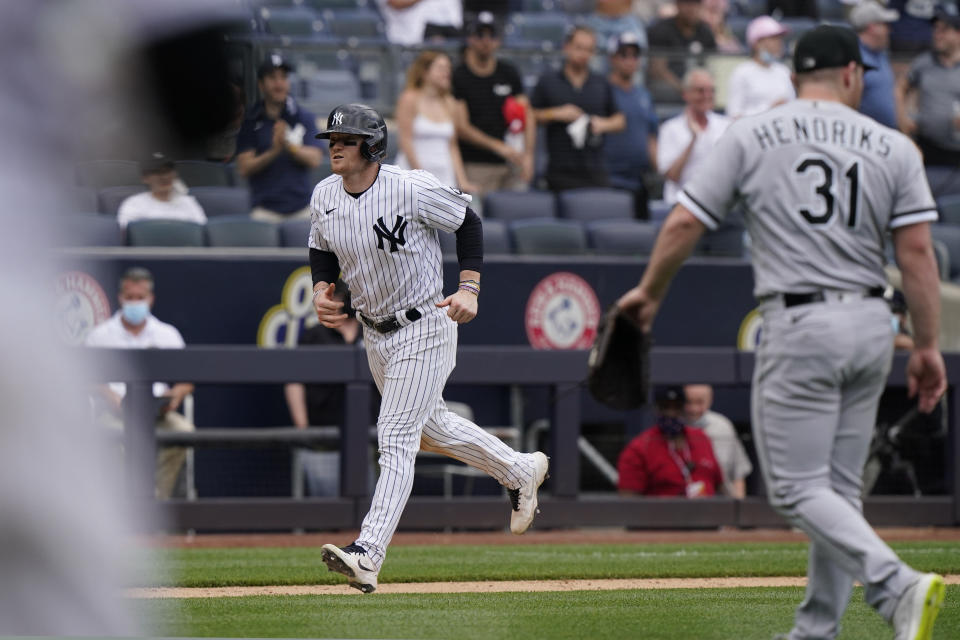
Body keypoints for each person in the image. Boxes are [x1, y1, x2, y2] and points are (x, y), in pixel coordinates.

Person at [616, 25, 946, 639]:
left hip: (802, 322)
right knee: (838, 491)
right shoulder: (892, 144)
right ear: (851, 74)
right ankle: (816, 629)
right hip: (875, 323)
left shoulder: (752, 133)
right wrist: (926, 345)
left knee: (794, 490)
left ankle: (896, 584)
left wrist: (649, 294)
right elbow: (919, 253)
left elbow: (686, 223)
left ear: (795, 77)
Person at [309, 104, 549, 594]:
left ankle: (368, 553)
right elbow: (321, 247)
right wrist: (320, 288)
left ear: (372, 146)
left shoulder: (410, 186)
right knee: (430, 430)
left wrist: (470, 288)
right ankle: (520, 470)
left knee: (395, 435)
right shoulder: (325, 194)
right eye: (332, 138)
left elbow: (469, 222)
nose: (335, 145)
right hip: (375, 332)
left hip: (425, 322)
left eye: (348, 139)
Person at [85, 267, 196, 500]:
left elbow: (187, 379)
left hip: (158, 416)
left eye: (140, 298)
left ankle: (157, 503)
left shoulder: (167, 334)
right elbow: (85, 378)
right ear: (120, 298)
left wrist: (175, 395)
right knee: (109, 437)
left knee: (184, 431)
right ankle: (128, 507)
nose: (135, 303)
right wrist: (107, 394)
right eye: (130, 298)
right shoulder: (100, 335)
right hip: (116, 415)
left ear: (151, 299)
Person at [284, 284, 365, 497]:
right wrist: (303, 427)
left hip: (368, 436)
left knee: (370, 505)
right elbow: (294, 381)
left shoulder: (372, 333)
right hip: (322, 435)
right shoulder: (314, 336)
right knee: (327, 503)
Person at [531, 25, 625, 191]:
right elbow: (530, 114)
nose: (583, 54)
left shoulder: (601, 82)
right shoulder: (549, 80)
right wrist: (555, 113)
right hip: (559, 170)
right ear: (566, 47)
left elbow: (620, 120)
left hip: (595, 170)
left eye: (589, 50)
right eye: (579, 48)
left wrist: (602, 124)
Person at [452, 11, 534, 201]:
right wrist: (498, 146)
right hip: (477, 164)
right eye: (480, 35)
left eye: (492, 35)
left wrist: (528, 155)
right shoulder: (460, 75)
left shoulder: (508, 72)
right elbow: (461, 126)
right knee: (480, 224)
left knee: (517, 212)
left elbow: (526, 113)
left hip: (512, 162)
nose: (486, 41)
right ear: (471, 38)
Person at [236, 53, 323, 221]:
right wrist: (274, 151)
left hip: (302, 208)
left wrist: (289, 146)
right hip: (264, 210)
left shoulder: (303, 117)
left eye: (283, 77)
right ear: (261, 84)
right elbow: (244, 167)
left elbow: (315, 159)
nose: (278, 83)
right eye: (272, 78)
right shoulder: (250, 121)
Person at [617, 386, 723, 497]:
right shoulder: (640, 447)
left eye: (677, 407)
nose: (671, 413)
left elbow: (720, 484)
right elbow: (628, 500)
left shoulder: (701, 438)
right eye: (665, 407)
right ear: (656, 410)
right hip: (663, 513)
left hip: (706, 511)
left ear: (684, 408)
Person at [395, 51, 478, 194]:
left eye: (448, 69)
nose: (447, 73)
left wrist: (462, 181)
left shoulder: (450, 102)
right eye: (441, 68)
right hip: (413, 176)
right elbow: (405, 140)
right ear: (424, 72)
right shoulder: (409, 98)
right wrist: (422, 177)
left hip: (444, 177)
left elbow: (452, 146)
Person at [896, 3, 960, 167]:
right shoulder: (924, 62)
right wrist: (903, 119)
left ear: (958, 34)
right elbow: (900, 88)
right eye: (935, 29)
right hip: (928, 149)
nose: (937, 35)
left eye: (944, 30)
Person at [604, 32, 659, 219]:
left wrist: (659, 170)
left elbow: (651, 135)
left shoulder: (643, 95)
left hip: (640, 182)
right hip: (611, 180)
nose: (630, 60)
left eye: (635, 55)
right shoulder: (602, 90)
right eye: (624, 55)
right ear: (612, 59)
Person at [656, 68, 729, 205]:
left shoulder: (725, 125)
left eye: (711, 90)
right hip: (681, 205)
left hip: (718, 205)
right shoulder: (670, 129)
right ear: (686, 94)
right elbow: (672, 176)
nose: (707, 95)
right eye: (700, 91)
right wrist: (693, 139)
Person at [683, 384, 752, 499]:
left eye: (700, 402)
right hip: (681, 504)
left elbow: (738, 473)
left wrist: (739, 510)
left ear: (710, 401)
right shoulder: (673, 429)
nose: (693, 408)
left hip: (721, 503)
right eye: (689, 402)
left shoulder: (723, 427)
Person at [646, 0, 717, 102]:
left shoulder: (705, 32)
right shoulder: (661, 29)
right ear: (678, 5)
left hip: (698, 87)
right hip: (671, 87)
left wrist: (697, 88)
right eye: (687, 3)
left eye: (696, 4)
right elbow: (657, 70)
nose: (691, 8)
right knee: (663, 89)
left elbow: (712, 66)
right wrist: (683, 89)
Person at [725, 16, 795, 119]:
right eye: (773, 38)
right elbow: (733, 115)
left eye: (779, 38)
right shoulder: (742, 72)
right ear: (757, 43)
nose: (779, 43)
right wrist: (769, 110)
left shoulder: (784, 71)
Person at [116, 152, 206, 229]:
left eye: (168, 171)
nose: (165, 177)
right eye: (157, 172)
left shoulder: (188, 202)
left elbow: (202, 231)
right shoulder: (133, 203)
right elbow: (125, 234)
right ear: (145, 178)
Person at [852, 1, 902, 129]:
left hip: (888, 135)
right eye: (885, 25)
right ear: (872, 28)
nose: (889, 30)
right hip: (865, 136)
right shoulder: (854, 57)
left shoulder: (880, 53)